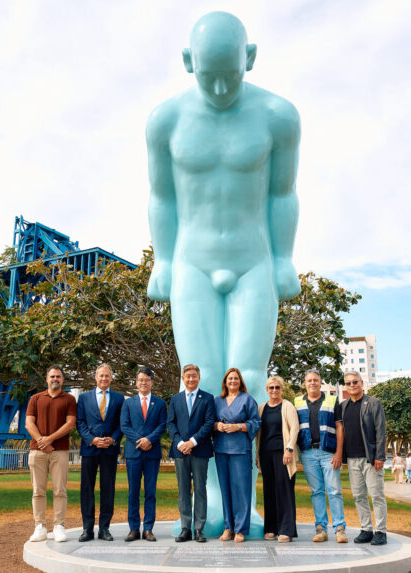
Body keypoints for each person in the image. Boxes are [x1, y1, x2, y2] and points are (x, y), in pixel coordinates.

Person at [146, 12, 301, 533]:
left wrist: (283, 258)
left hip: (253, 260)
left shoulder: (278, 116)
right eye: (204, 75)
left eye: (228, 75)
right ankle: (211, 506)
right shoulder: (165, 121)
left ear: (249, 59)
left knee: (248, 380)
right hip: (191, 261)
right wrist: (163, 261)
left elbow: (283, 194)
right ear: (188, 62)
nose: (216, 87)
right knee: (203, 378)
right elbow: (161, 197)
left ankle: (245, 506)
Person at [25, 366, 78, 543]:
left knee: (60, 490)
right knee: (38, 490)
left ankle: (59, 525)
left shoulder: (69, 399)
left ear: (62, 380)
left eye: (58, 376)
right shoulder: (35, 398)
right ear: (47, 379)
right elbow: (29, 423)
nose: (55, 379)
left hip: (60, 451)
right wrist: (42, 440)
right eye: (52, 376)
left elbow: (70, 424)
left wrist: (49, 440)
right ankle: (40, 526)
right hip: (37, 450)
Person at [294, 369, 346, 543]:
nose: (312, 383)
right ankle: (321, 529)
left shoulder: (332, 400)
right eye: (309, 380)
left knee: (334, 491)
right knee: (316, 492)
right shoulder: (297, 402)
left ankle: (340, 529)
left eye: (315, 380)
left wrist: (339, 453)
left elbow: (339, 427)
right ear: (305, 382)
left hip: (328, 453)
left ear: (320, 382)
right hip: (308, 453)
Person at [337, 372, 388, 546]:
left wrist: (379, 456)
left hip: (370, 459)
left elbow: (380, 431)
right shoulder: (343, 406)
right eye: (348, 383)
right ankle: (366, 529)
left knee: (376, 496)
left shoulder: (373, 403)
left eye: (355, 382)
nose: (352, 385)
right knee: (359, 496)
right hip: (352, 459)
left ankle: (380, 531)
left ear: (361, 383)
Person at [167, 364, 217, 543]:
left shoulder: (208, 398)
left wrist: (193, 442)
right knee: (183, 490)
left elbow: (209, 422)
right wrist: (181, 443)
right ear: (183, 378)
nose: (191, 379)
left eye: (194, 376)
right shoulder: (175, 399)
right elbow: (170, 423)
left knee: (200, 489)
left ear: (199, 377)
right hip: (180, 451)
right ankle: (185, 528)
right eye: (187, 376)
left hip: (200, 450)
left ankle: (199, 529)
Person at [76, 363, 124, 542]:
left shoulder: (120, 399)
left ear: (111, 378)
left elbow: (122, 423)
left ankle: (105, 528)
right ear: (95, 377)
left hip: (110, 450)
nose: (104, 378)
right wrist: (92, 439)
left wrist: (113, 439)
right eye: (101, 375)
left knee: (108, 489)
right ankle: (87, 529)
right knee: (87, 489)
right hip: (90, 449)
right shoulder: (84, 398)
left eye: (107, 376)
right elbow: (80, 422)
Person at [120, 367, 168, 542]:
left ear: (152, 382)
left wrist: (150, 440)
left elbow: (162, 426)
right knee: (133, 492)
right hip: (134, 453)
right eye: (140, 380)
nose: (143, 383)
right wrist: (141, 440)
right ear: (136, 382)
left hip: (152, 453)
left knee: (150, 492)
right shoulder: (128, 403)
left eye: (147, 380)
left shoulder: (160, 403)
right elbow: (124, 426)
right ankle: (133, 529)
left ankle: (148, 528)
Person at [213, 367, 261, 542]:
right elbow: (209, 422)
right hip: (221, 449)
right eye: (230, 379)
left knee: (241, 490)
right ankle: (228, 528)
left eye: (236, 379)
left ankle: (240, 529)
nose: (233, 381)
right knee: (225, 490)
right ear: (225, 382)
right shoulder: (217, 401)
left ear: (240, 381)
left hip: (240, 449)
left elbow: (256, 422)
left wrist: (238, 426)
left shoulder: (247, 399)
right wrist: (216, 426)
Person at [256, 375, 298, 542]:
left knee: (284, 491)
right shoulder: (261, 408)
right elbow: (260, 434)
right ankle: (271, 527)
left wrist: (288, 449)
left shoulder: (288, 406)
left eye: (277, 387)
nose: (274, 390)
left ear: (282, 389)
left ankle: (286, 529)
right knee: (269, 491)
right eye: (271, 388)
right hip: (265, 454)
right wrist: (258, 455)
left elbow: (294, 429)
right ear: (267, 390)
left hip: (283, 454)